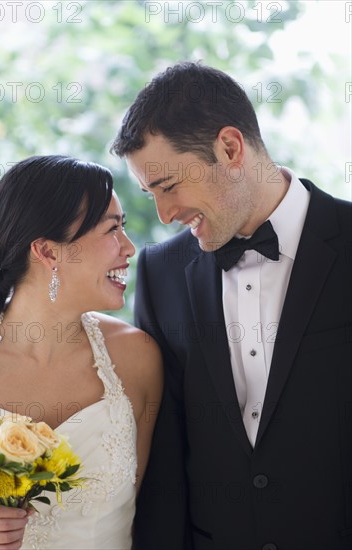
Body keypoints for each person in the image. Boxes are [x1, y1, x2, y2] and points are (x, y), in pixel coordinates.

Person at [111, 61, 352, 550]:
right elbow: (166, 453)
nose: (164, 214)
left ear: (230, 148)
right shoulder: (159, 274)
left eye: (168, 186)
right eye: (149, 194)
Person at [0, 155, 163, 549]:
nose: (129, 248)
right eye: (112, 230)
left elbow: (151, 515)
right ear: (47, 251)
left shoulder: (137, 358)